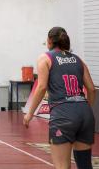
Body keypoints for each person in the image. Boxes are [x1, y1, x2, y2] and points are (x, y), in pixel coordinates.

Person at [23, 27, 95, 169]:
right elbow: (92, 89)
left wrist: (29, 113)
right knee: (85, 165)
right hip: (84, 112)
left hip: (63, 113)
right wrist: (87, 109)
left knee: (62, 166)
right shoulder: (78, 60)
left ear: (49, 41)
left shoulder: (45, 58)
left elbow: (42, 86)